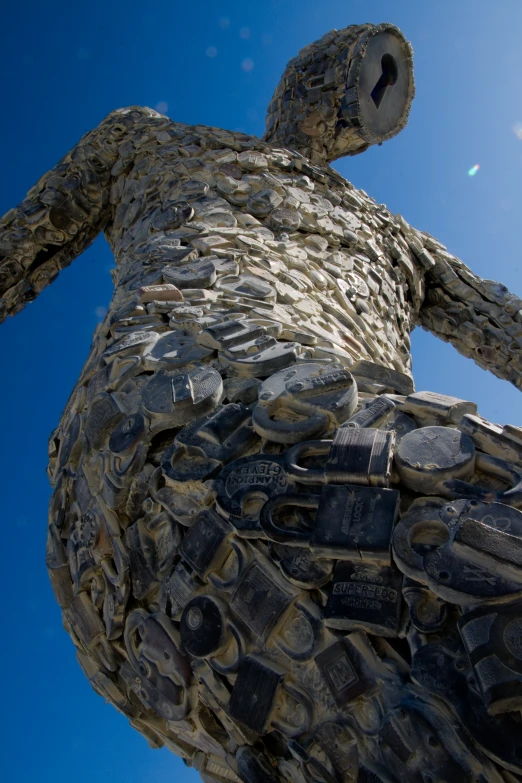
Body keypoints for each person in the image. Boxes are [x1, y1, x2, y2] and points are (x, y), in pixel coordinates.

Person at [1, 21, 521, 783]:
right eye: (355, 70)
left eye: (375, 84)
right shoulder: (150, 141)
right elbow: (17, 250)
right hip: (202, 416)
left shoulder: (397, 239)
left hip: (163, 535)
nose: (359, 94)